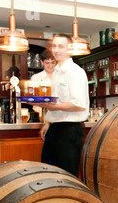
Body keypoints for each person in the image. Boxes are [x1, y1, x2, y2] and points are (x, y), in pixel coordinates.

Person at [30, 33, 89, 176]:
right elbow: (57, 100)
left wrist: (50, 107)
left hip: (70, 131)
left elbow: (78, 104)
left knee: (67, 175)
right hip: (55, 129)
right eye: (54, 46)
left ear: (69, 49)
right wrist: (49, 123)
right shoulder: (56, 72)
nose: (56, 50)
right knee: (48, 172)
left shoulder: (75, 72)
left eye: (61, 46)